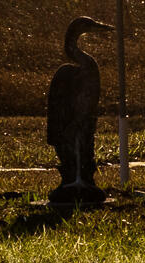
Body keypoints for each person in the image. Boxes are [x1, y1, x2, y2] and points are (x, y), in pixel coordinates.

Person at [46, 16, 112, 204]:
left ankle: (82, 180)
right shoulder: (67, 74)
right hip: (68, 127)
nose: (97, 28)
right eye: (89, 26)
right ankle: (73, 180)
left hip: (82, 125)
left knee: (83, 142)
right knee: (72, 142)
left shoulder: (84, 70)